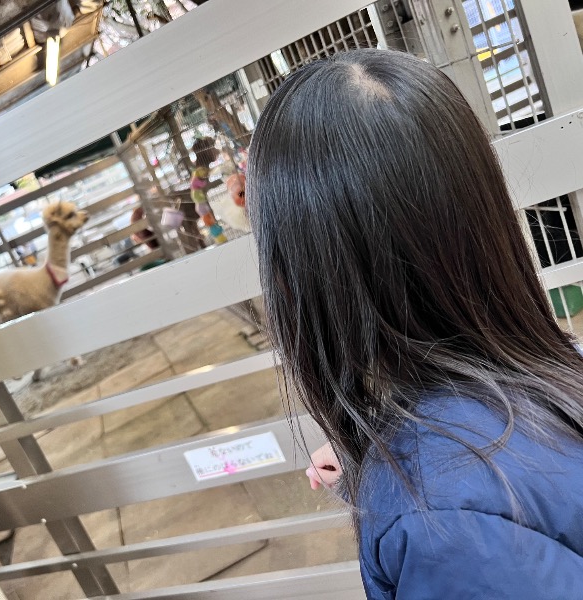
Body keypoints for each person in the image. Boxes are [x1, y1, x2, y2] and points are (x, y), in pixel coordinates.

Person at [247, 48, 583, 598]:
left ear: (304, 270)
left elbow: (465, 530)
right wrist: (384, 457)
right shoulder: (557, 367)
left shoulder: (435, 523)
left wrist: (404, 479)